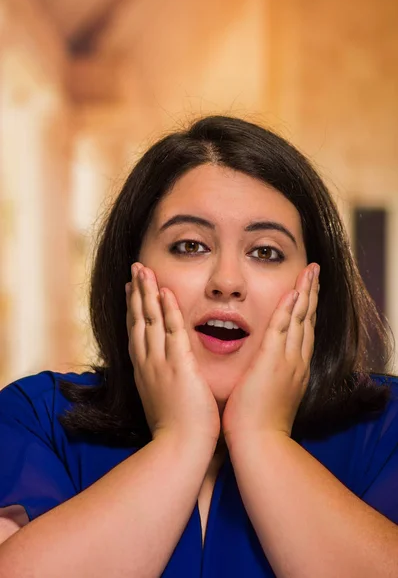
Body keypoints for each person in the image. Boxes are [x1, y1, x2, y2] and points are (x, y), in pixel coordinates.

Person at [0, 115, 397, 577]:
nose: (226, 282)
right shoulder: (36, 419)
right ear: (130, 271)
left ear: (314, 283)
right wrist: (180, 439)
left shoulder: (385, 431)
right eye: (190, 245)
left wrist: (262, 438)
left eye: (265, 251)